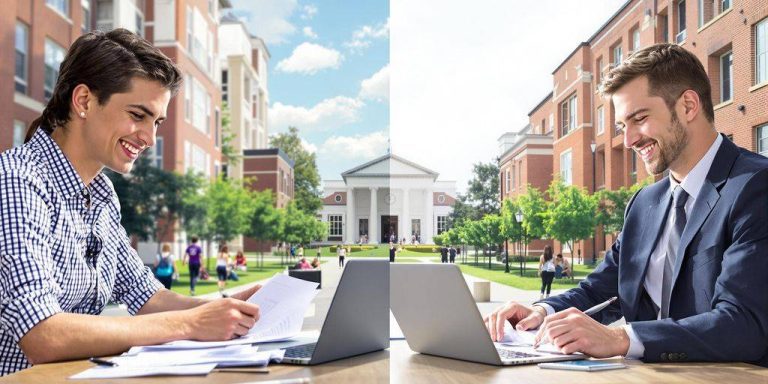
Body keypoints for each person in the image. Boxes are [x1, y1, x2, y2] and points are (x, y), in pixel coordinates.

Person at [485, 43, 768, 366]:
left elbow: (743, 324)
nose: (630, 139)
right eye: (623, 126)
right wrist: (540, 311)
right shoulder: (644, 203)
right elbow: (600, 291)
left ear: (689, 106)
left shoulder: (755, 187)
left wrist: (621, 338)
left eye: (640, 119)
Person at [0, 29, 262, 376]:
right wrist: (189, 324)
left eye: (157, 122)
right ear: (84, 101)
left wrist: (230, 307)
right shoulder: (17, 180)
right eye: (138, 115)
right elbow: (42, 334)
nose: (150, 138)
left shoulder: (104, 197)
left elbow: (147, 296)